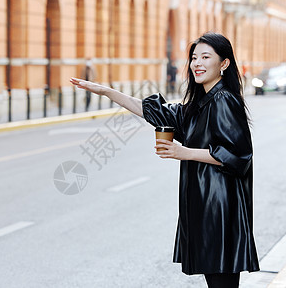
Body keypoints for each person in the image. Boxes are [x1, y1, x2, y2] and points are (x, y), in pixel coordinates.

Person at [70, 32, 259, 288]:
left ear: (224, 63)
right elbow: (153, 112)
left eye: (206, 57)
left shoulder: (224, 99)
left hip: (220, 207)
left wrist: (184, 152)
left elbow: (239, 155)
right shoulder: (202, 103)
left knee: (221, 283)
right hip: (206, 205)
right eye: (194, 58)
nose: (197, 64)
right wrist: (106, 92)